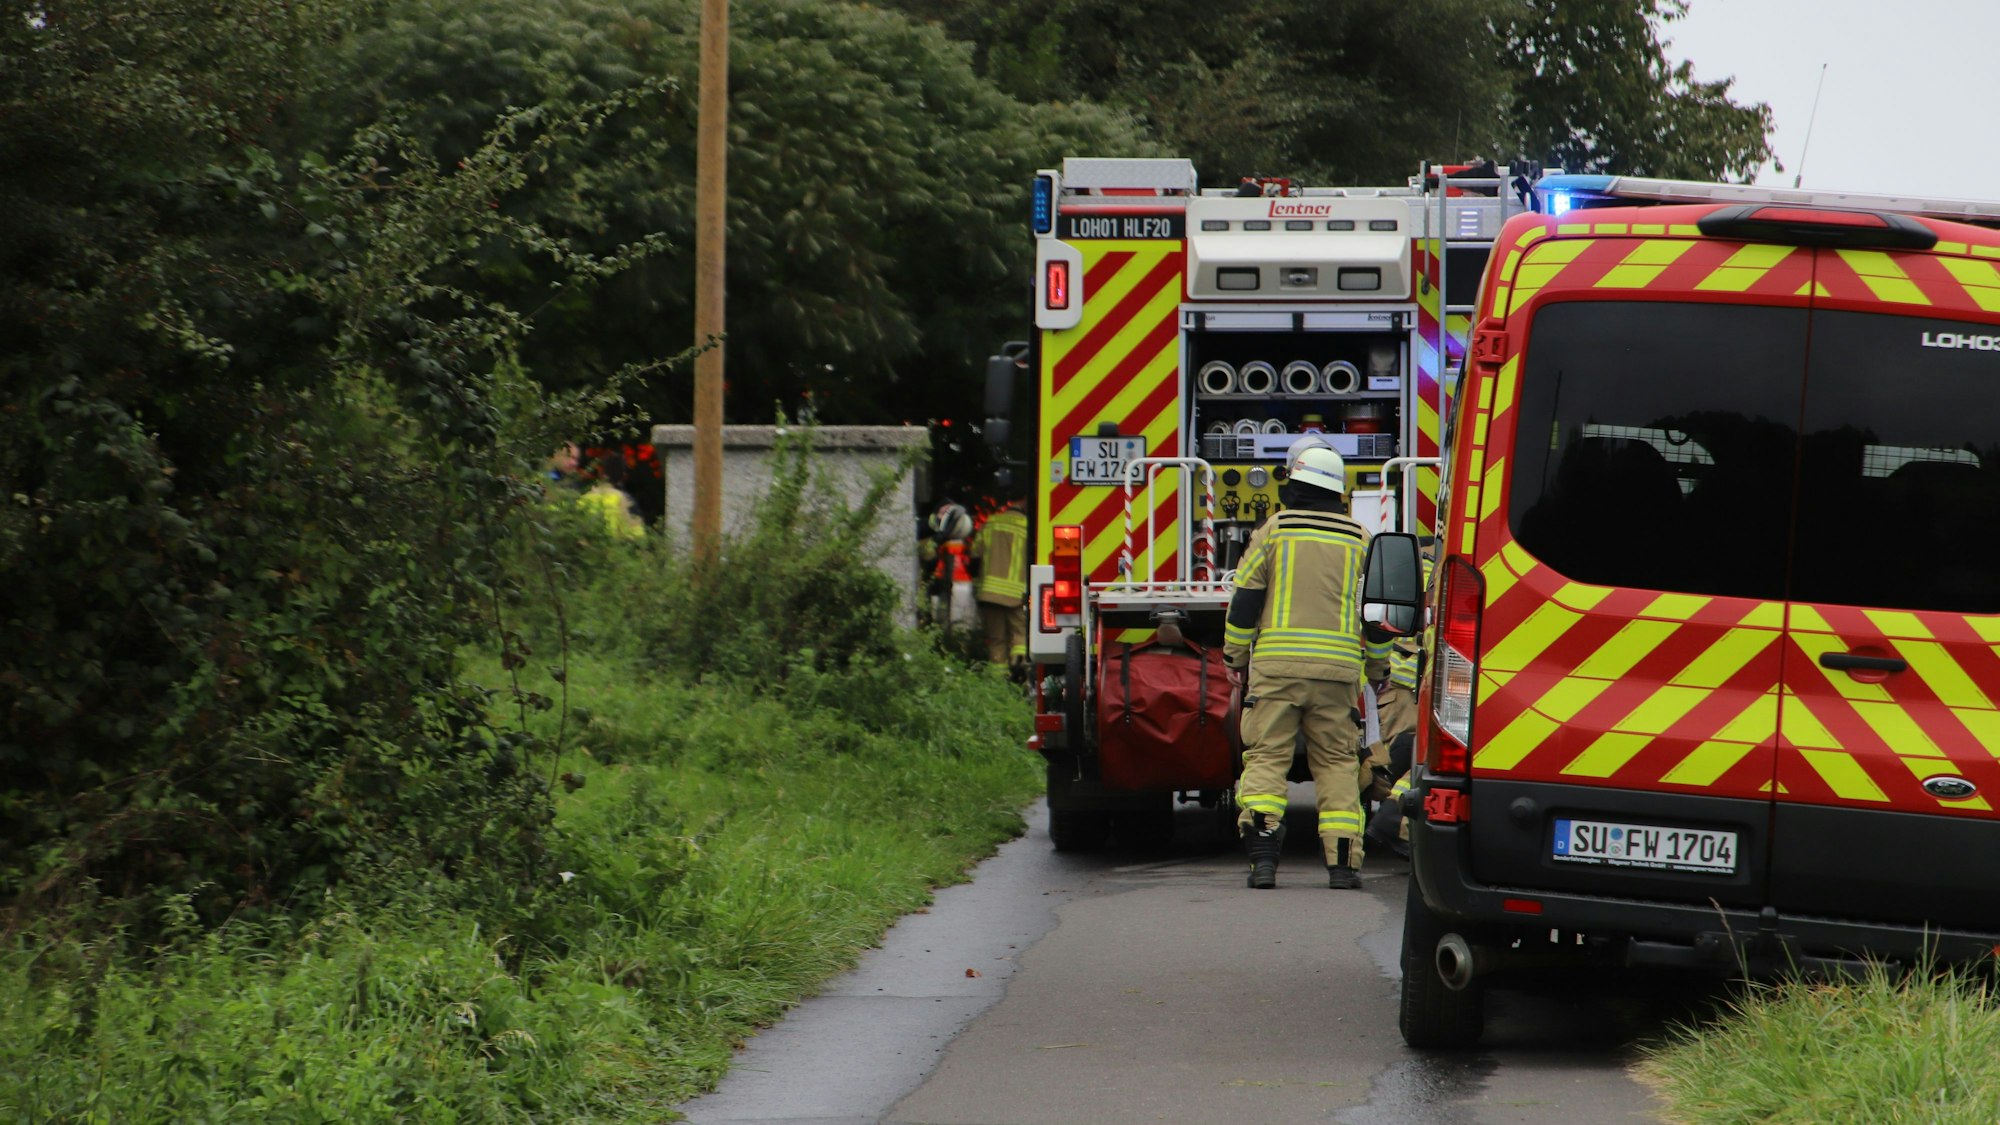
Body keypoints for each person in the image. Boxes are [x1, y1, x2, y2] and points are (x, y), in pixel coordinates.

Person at [1225, 439, 1390, 890]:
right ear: (1338, 490)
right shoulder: (1361, 540)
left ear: (1294, 482)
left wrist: (1234, 658)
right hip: (1337, 675)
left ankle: (1262, 861)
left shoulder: (1272, 532)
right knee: (1337, 763)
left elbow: (1244, 604)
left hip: (1276, 670)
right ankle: (1342, 866)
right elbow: (1376, 619)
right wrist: (1377, 671)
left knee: (1266, 758)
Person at [971, 494, 1029, 671]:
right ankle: (1020, 674)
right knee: (1020, 637)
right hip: (1017, 594)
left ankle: (998, 682)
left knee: (996, 640)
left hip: (990, 592)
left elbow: (974, 553)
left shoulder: (991, 523)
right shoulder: (1029, 527)